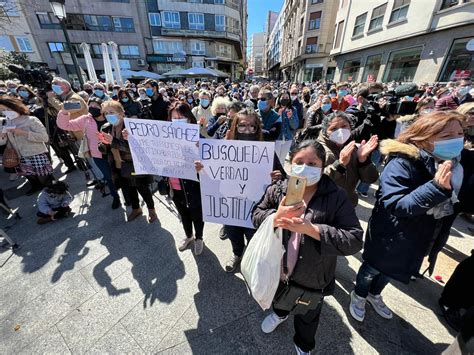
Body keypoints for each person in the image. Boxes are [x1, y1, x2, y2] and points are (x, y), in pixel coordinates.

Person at [349, 111, 466, 323]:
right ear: (425, 136)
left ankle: (375, 295)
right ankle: (359, 294)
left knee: (389, 274)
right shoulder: (402, 162)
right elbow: (395, 204)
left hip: (416, 239)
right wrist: (436, 188)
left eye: (460, 133)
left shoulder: (453, 165)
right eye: (447, 135)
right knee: (372, 270)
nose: (458, 139)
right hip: (389, 233)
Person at [252, 139, 363, 354]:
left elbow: (354, 239)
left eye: (312, 164)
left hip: (312, 276)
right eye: (299, 161)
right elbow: (256, 214)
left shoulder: (336, 196)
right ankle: (279, 314)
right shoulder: (279, 189)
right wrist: (275, 217)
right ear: (291, 163)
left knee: (307, 315)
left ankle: (303, 344)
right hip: (278, 270)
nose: (305, 167)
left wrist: (312, 230)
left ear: (323, 166)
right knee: (280, 300)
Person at [199, 108, 286, 272]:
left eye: (253, 126)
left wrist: (279, 177)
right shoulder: (224, 149)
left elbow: (284, 178)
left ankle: (253, 259)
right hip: (231, 204)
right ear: (235, 127)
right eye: (243, 125)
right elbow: (212, 175)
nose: (248, 130)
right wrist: (202, 169)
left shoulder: (265, 151)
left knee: (254, 235)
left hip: (257, 206)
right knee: (233, 233)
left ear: (258, 128)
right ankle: (237, 254)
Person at [99, 101, 157, 223]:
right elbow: (106, 148)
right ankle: (136, 209)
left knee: (143, 189)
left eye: (112, 112)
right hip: (118, 165)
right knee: (129, 190)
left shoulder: (131, 126)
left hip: (134, 164)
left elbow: (135, 147)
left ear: (121, 113)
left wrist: (113, 141)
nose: (109, 115)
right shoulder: (105, 127)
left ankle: (151, 210)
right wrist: (102, 144)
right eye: (106, 113)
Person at [57, 98, 121, 209]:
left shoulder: (111, 117)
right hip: (99, 154)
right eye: (90, 105)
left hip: (116, 152)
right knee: (109, 177)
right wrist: (63, 111)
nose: (93, 108)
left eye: (96, 106)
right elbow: (65, 125)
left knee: (121, 175)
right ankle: (115, 197)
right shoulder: (86, 119)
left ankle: (128, 196)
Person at [164, 102, 205, 256]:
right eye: (174, 118)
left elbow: (210, 162)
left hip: (193, 186)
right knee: (183, 214)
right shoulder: (165, 137)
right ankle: (189, 236)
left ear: (189, 119)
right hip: (174, 186)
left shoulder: (198, 138)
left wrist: (202, 165)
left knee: (197, 214)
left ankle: (199, 238)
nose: (177, 121)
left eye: (181, 118)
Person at [317, 112, 379, 207]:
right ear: (325, 131)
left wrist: (363, 160)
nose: (340, 132)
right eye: (334, 129)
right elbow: (313, 182)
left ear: (351, 127)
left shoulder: (353, 148)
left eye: (344, 126)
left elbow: (371, 178)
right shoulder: (316, 150)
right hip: (323, 206)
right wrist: (340, 164)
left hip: (347, 204)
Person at [0, 96, 53, 195]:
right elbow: (5, 142)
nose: (5, 112)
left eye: (7, 109)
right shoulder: (7, 122)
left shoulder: (31, 120)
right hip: (19, 155)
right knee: (29, 175)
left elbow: (44, 138)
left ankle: (52, 193)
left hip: (36, 154)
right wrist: (2, 136)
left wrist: (23, 132)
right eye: (2, 110)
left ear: (15, 106)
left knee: (44, 177)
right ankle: (36, 187)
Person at [275, 90, 299, 164]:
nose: (285, 99)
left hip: (288, 138)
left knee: (282, 160)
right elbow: (272, 125)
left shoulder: (293, 109)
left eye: (287, 97)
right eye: (283, 97)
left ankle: (281, 174)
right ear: (279, 98)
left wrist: (290, 117)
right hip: (277, 138)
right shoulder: (275, 110)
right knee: (275, 160)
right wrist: (277, 115)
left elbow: (295, 126)